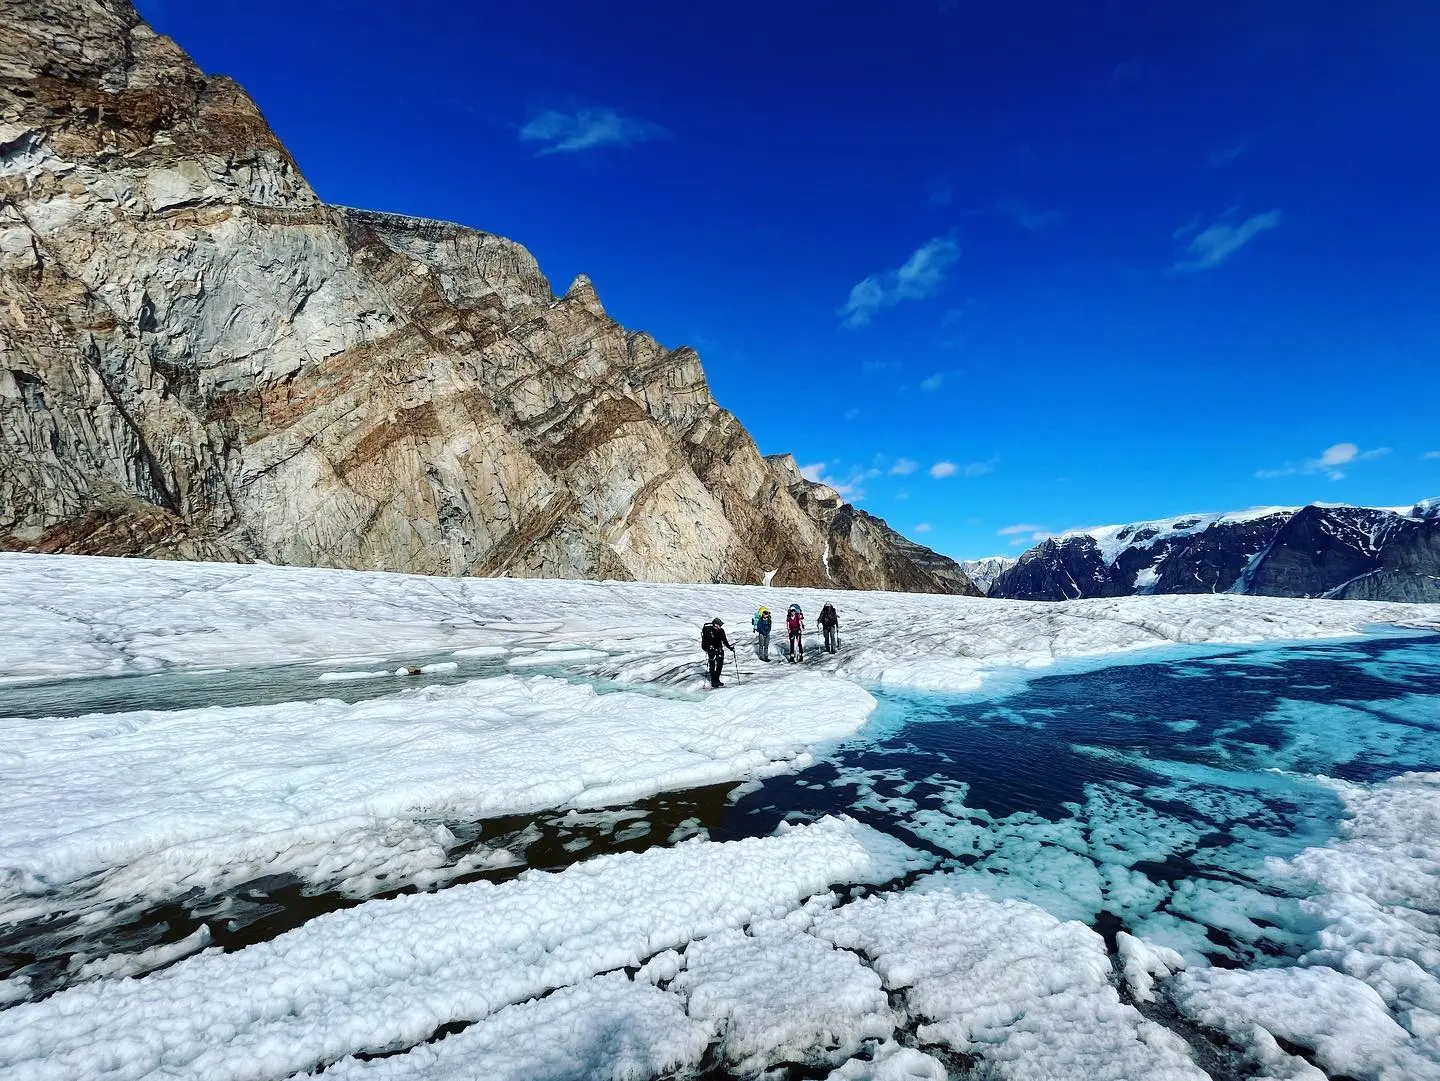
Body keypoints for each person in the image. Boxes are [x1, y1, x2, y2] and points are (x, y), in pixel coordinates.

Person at [700, 617, 733, 687]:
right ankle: (713, 681)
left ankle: (717, 680)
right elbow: (706, 642)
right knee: (712, 666)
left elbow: (724, 640)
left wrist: (730, 648)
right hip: (711, 650)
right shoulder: (709, 631)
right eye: (719, 625)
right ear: (715, 624)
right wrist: (708, 649)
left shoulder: (721, 631)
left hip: (719, 650)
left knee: (719, 666)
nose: (720, 626)